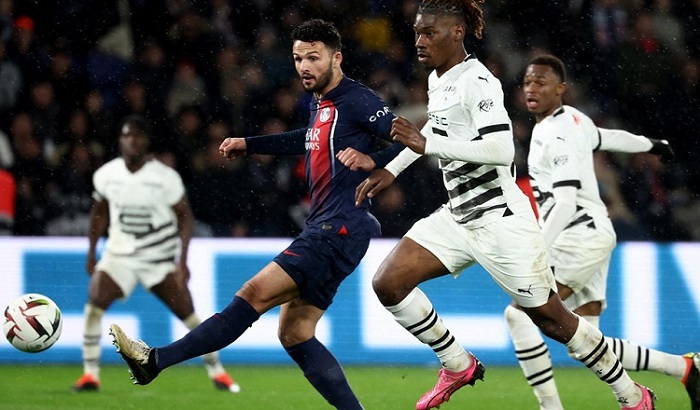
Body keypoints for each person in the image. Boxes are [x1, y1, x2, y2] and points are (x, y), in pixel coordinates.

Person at [343, 1, 656, 409]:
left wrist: (426, 146)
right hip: (459, 215)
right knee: (388, 282)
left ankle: (632, 395)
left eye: (429, 33)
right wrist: (394, 168)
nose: (419, 41)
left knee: (552, 320)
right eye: (417, 32)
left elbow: (500, 149)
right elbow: (438, 126)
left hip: (500, 218)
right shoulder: (439, 79)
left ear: (457, 32)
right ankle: (457, 364)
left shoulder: (479, 81)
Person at [108, 19, 403, 409]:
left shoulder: (357, 99)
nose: (304, 67)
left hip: (339, 228)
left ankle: (155, 361)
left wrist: (376, 161)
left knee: (252, 296)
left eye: (314, 57)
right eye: (298, 58)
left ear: (337, 58)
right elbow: (306, 140)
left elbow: (411, 138)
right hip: (336, 228)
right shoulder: (322, 104)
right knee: (295, 333)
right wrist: (250, 144)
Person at [507, 53, 699, 410]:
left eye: (541, 83)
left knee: (519, 313)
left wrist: (537, 249)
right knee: (585, 341)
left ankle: (551, 407)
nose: (531, 89)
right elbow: (608, 137)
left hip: (577, 237)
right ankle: (685, 368)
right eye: (528, 82)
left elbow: (565, 203)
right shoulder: (573, 119)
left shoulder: (556, 133)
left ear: (560, 88)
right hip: (592, 233)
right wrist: (652, 144)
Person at [72, 114, 240, 394]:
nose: (132, 140)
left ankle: (218, 372)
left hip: (159, 259)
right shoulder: (106, 175)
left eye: (137, 135)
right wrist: (91, 252)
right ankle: (90, 375)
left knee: (189, 316)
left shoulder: (165, 177)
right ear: (120, 140)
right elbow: (99, 214)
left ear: (146, 141)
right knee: (93, 306)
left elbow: (185, 217)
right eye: (127, 135)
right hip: (119, 256)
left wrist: (182, 261)